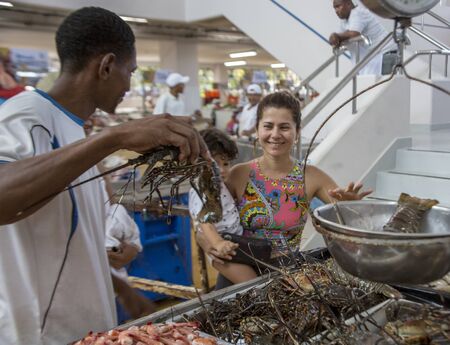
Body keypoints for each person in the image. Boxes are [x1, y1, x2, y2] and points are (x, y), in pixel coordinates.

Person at [0, 7, 207, 345]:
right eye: (130, 71)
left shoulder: (72, 130)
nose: (129, 83)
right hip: (39, 334)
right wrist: (114, 137)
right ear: (107, 65)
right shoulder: (27, 116)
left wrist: (120, 286)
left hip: (86, 330)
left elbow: (69, 239)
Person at [221, 91, 371, 273]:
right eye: (268, 126)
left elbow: (348, 219)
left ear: (297, 132)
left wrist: (349, 205)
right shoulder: (239, 174)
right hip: (239, 271)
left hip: (287, 276)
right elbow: (212, 222)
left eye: (284, 127)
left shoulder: (312, 176)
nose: (275, 134)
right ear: (258, 130)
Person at [189, 128, 258, 284]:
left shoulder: (219, 184)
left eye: (225, 163)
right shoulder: (202, 188)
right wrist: (218, 243)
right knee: (252, 283)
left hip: (234, 243)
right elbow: (205, 221)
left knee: (243, 284)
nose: (220, 169)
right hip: (223, 251)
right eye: (213, 163)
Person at [329, 0, 397, 75]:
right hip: (378, 57)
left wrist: (337, 36)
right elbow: (339, 38)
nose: (336, 11)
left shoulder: (358, 13)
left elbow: (354, 33)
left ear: (348, 4)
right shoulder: (345, 21)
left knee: (383, 85)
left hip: (386, 55)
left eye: (338, 6)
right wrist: (336, 38)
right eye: (334, 8)